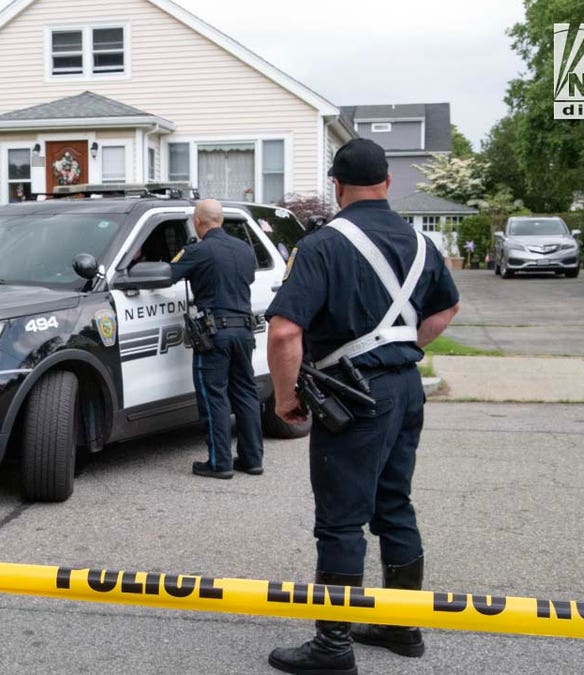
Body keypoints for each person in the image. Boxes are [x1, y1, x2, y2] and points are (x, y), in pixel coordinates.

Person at [263, 138, 460, 674]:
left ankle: (333, 647)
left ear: (336, 185)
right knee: (394, 504)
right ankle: (401, 626)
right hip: (405, 386)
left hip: (352, 394)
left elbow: (284, 332)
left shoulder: (323, 244)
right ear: (388, 183)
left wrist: (285, 399)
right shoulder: (421, 242)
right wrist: (407, 347)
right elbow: (447, 308)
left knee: (341, 522)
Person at [169, 199, 263, 479]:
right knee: (246, 394)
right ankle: (252, 460)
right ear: (220, 220)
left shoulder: (197, 250)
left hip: (215, 335)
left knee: (214, 397)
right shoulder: (245, 249)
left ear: (198, 222)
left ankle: (220, 462)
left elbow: (168, 275)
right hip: (244, 332)